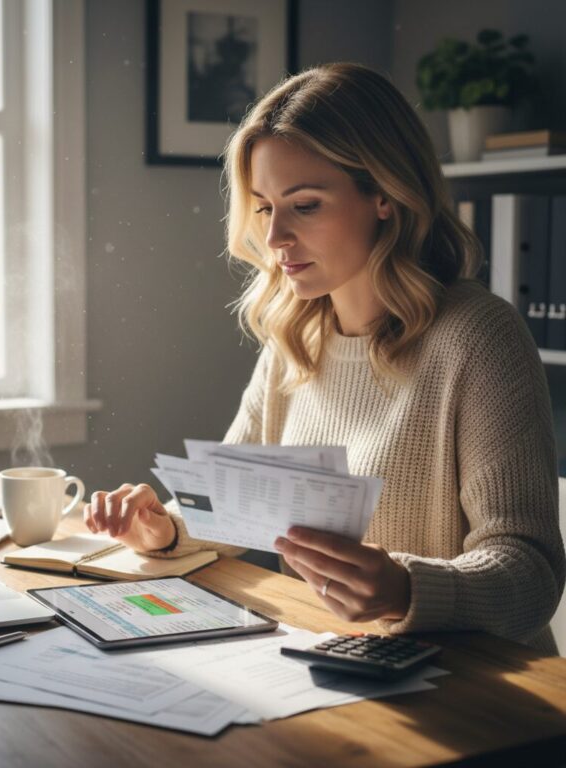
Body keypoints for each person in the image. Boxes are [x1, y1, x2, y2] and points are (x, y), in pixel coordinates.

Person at [84, 63, 566, 653]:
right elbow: (231, 507)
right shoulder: (295, 337)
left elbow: (532, 574)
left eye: (305, 205)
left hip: (476, 685)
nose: (275, 238)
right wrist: (163, 530)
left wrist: (406, 590)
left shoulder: (479, 338)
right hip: (342, 661)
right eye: (265, 208)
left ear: (385, 195)